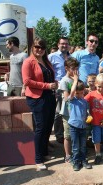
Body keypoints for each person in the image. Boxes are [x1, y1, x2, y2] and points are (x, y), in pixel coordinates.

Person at [22, 37, 57, 171]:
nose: (40, 50)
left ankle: (44, 153)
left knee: (48, 126)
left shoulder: (46, 61)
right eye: (37, 47)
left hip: (49, 96)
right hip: (37, 98)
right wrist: (47, 85)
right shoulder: (28, 62)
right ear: (32, 47)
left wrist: (54, 83)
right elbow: (27, 81)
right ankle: (37, 159)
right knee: (40, 128)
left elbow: (49, 76)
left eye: (42, 47)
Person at [85, 73, 103, 165]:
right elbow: (83, 101)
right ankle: (97, 155)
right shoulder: (91, 94)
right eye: (99, 86)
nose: (101, 89)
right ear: (95, 84)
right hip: (95, 123)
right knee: (96, 139)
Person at [68, 70, 92, 171]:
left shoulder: (85, 102)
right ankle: (76, 161)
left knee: (83, 145)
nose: (78, 94)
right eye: (77, 93)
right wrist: (75, 80)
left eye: (81, 93)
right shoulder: (72, 99)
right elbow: (72, 91)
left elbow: (87, 112)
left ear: (84, 91)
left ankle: (83, 160)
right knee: (75, 146)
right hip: (73, 126)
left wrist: (89, 116)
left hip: (83, 126)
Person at [48, 36, 71, 144]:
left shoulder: (71, 57)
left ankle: (68, 133)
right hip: (58, 88)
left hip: (69, 87)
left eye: (66, 44)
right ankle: (59, 135)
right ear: (58, 45)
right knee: (58, 113)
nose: (64, 45)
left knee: (69, 111)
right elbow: (47, 71)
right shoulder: (52, 56)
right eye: (62, 43)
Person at [59, 57, 78, 163]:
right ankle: (67, 155)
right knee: (68, 135)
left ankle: (76, 152)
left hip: (76, 112)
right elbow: (67, 98)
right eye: (73, 68)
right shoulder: (64, 81)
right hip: (67, 113)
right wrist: (75, 82)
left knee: (77, 133)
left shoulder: (76, 79)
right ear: (66, 68)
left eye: (76, 68)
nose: (75, 71)